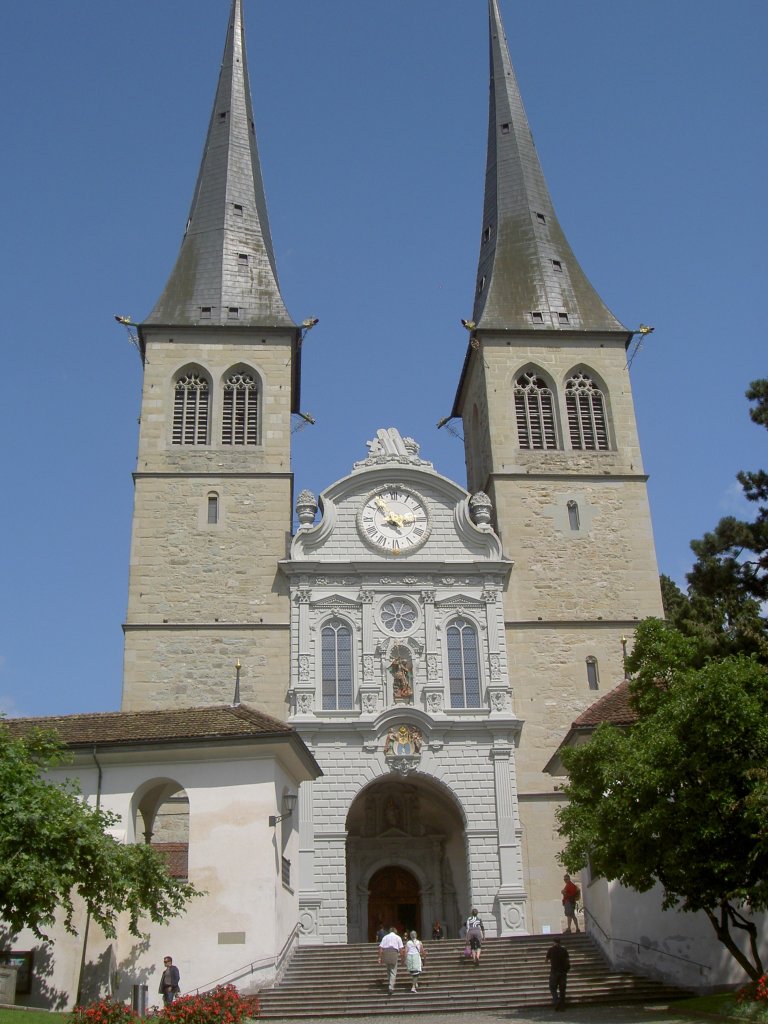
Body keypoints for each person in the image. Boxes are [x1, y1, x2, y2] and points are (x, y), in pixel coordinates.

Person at [545, 936, 571, 1010]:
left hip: (554, 971)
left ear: (554, 942)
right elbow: (568, 960)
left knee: (552, 987)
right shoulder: (564, 950)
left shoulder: (551, 950)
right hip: (563, 972)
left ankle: (556, 1001)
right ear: (560, 942)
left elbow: (546, 960)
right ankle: (562, 1005)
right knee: (562, 989)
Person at [378, 926, 404, 995]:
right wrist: (402, 958)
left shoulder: (385, 937)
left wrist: (380, 958)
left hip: (386, 952)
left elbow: (380, 948)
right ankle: (391, 987)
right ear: (395, 931)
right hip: (394, 952)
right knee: (393, 971)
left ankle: (390, 983)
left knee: (388, 969)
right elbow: (401, 949)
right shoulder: (398, 937)